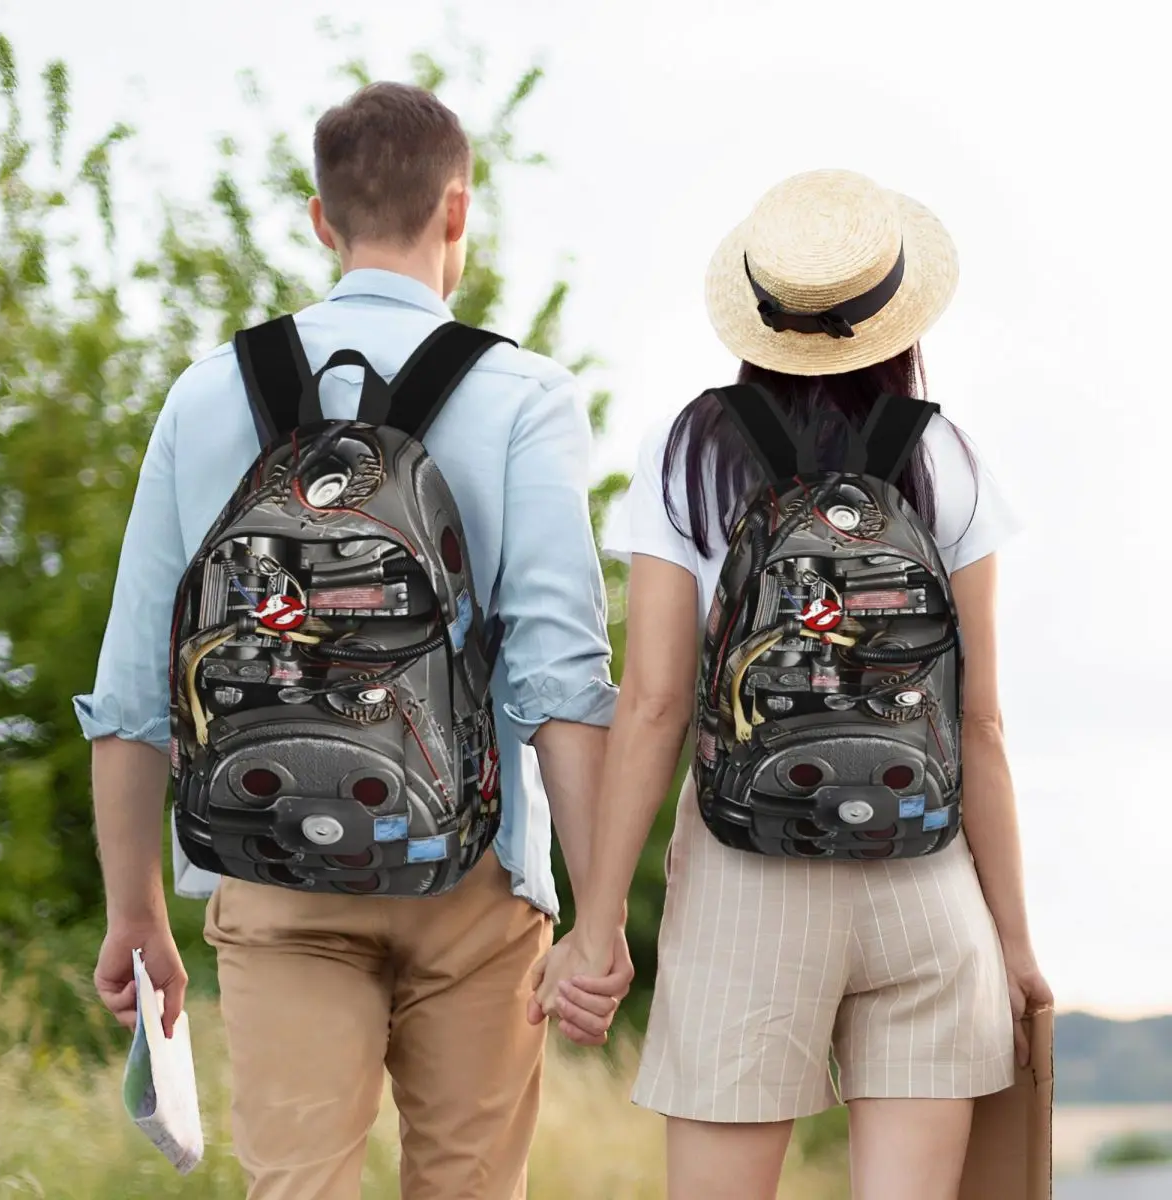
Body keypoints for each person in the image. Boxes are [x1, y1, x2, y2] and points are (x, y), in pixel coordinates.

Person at [76, 81, 632, 1200]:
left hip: (268, 865)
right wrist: (599, 914)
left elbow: (137, 679)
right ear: (458, 213)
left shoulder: (205, 395)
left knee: (297, 1186)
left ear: (321, 219)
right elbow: (560, 678)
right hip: (474, 872)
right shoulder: (522, 395)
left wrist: (135, 911)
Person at [531, 168, 1053, 1200]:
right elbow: (981, 722)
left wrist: (595, 928)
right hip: (925, 882)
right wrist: (1014, 943)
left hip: (745, 881)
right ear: (897, 317)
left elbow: (654, 705)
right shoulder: (945, 456)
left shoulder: (689, 451)